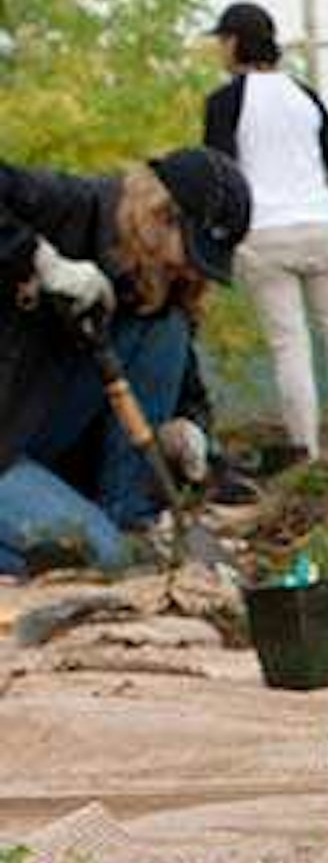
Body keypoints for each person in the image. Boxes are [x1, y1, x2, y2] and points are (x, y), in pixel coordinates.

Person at [0, 147, 249, 576]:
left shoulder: (155, 287)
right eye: (189, 249)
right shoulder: (67, 205)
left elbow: (190, 392)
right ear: (159, 215)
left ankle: (129, 520)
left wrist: (189, 430)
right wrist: (40, 260)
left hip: (34, 440)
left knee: (163, 326)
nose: (190, 269)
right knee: (101, 558)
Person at [204, 0, 328, 460]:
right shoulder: (304, 95)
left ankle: (305, 448)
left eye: (221, 42)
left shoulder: (224, 102)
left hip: (264, 234)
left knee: (289, 344)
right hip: (321, 225)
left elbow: (220, 176)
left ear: (233, 43)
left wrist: (217, 240)